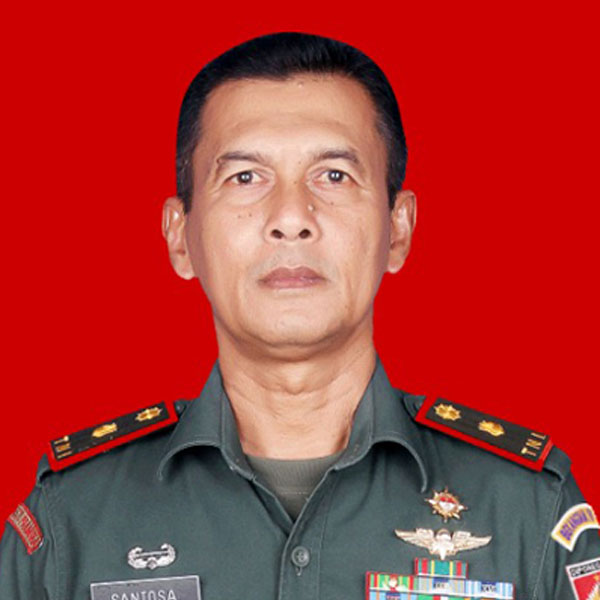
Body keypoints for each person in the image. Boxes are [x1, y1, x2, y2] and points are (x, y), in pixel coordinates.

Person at [0, 31, 598, 600]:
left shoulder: (528, 510)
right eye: (245, 177)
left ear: (398, 229)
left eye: (334, 175)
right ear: (180, 237)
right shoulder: (71, 521)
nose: (291, 217)